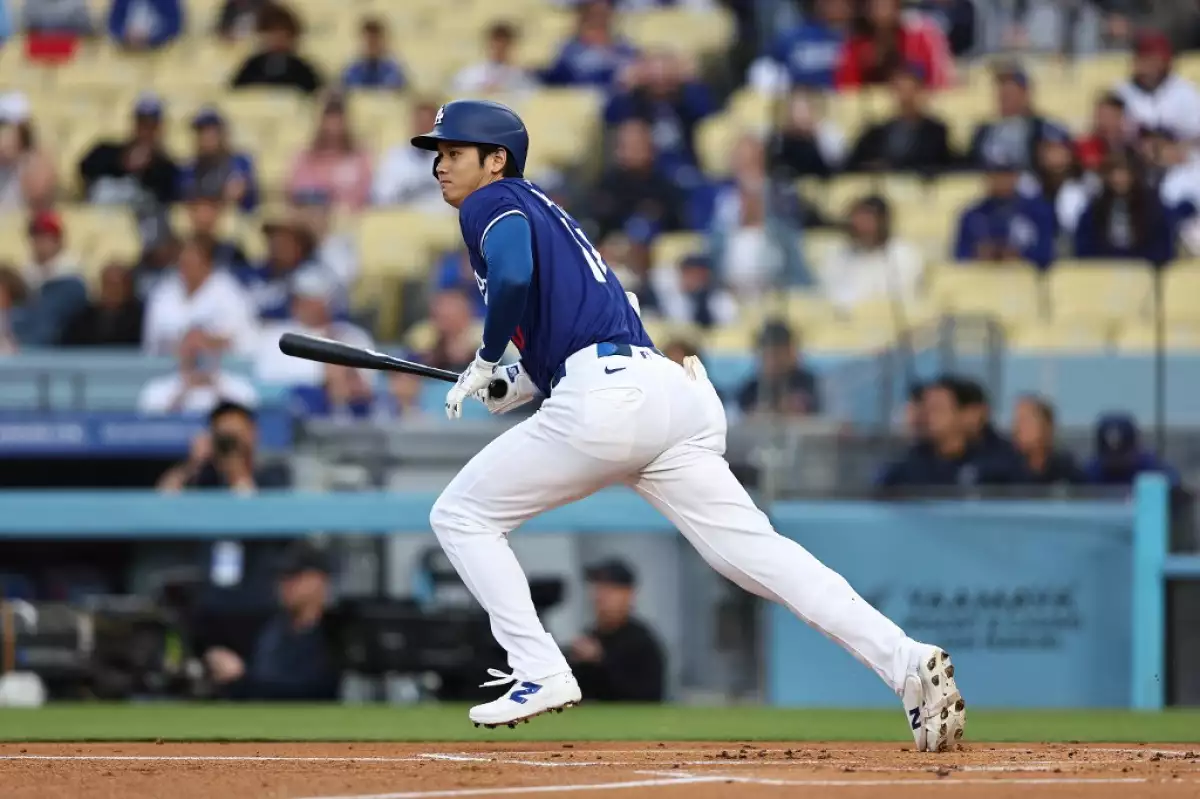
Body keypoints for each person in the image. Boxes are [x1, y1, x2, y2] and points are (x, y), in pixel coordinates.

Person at [411, 98, 966, 749]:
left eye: (452, 152)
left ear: (495, 158)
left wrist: (485, 355)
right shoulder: (551, 215)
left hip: (610, 402)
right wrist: (516, 377)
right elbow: (588, 327)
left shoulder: (491, 201)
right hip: (667, 393)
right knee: (765, 558)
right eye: (438, 154)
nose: (440, 166)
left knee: (461, 516)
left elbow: (511, 273)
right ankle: (906, 662)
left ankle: (537, 665)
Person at [203, 539, 339, 700]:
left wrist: (241, 679)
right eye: (281, 577)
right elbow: (264, 683)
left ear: (317, 580)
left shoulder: (336, 632)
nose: (283, 584)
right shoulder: (273, 630)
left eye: (292, 577)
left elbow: (314, 690)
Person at [142, 234, 259, 356]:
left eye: (193, 261)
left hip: (221, 369)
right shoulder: (163, 292)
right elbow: (151, 342)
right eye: (184, 262)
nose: (188, 268)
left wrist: (209, 341)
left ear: (207, 263)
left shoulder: (229, 291)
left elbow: (245, 341)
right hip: (170, 367)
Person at [568, 559, 665, 702]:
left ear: (629, 595)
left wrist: (600, 660)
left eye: (609, 589)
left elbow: (646, 695)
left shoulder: (641, 641)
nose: (600, 596)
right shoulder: (591, 636)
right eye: (597, 587)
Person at [816, 195, 924, 312]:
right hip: (840, 323)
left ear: (882, 222)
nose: (858, 225)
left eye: (866, 220)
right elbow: (826, 293)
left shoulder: (903, 255)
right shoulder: (838, 254)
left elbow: (900, 299)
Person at [157, 400, 291, 492]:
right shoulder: (205, 473)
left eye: (234, 436)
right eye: (223, 437)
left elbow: (255, 509)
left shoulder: (273, 470)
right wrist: (193, 463)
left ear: (253, 432)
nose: (229, 444)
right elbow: (165, 497)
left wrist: (237, 468)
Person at [844, 64, 955, 175]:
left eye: (911, 90)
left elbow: (942, 166)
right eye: (900, 90)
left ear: (921, 92)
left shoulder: (935, 132)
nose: (905, 97)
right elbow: (852, 165)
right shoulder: (876, 134)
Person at [953, 155, 1056, 269]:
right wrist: (978, 254)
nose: (1001, 180)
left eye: (1006, 175)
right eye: (996, 175)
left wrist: (1019, 255)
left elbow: (1047, 254)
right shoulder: (972, 215)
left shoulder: (1037, 211)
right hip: (981, 280)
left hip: (1023, 280)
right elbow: (959, 257)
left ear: (1016, 177)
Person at [1074, 153, 1175, 264]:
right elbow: (1084, 250)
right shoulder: (1095, 208)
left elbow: (1163, 249)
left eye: (1124, 172)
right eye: (1113, 173)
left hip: (1144, 271)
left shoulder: (1154, 207)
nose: (1118, 178)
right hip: (1103, 271)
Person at [968, 63, 1067, 172]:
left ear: (1025, 94)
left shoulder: (1046, 130)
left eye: (1009, 94)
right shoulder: (983, 131)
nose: (1003, 99)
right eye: (1000, 93)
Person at [139, 327, 258, 415]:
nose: (197, 356)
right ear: (180, 352)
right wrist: (182, 391)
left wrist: (218, 389)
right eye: (191, 351)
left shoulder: (237, 387)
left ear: (215, 353)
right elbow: (150, 420)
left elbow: (248, 412)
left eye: (203, 349)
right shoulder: (157, 388)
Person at [288, 93, 373, 211]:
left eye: (338, 117)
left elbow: (365, 196)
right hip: (311, 220)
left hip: (350, 222)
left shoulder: (360, 157)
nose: (333, 125)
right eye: (329, 117)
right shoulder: (305, 157)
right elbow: (298, 193)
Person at [1114, 31, 1200, 146]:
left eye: (1154, 59)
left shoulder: (1186, 92)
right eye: (1143, 58)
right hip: (1134, 158)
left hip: (1181, 158)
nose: (1148, 65)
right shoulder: (1121, 92)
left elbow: (1196, 135)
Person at [229, 1, 323, 95]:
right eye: (272, 34)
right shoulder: (252, 67)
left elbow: (316, 96)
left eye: (282, 35)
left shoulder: (303, 70)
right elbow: (237, 93)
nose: (277, 40)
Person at [178, 107, 259, 213]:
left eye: (210, 131)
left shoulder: (240, 162)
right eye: (201, 132)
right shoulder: (190, 168)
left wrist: (241, 192)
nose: (206, 137)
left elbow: (251, 203)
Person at [735, 319, 820, 416]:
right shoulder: (750, 390)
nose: (774, 361)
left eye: (779, 354)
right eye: (769, 355)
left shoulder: (810, 384)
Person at [1082, 412, 1180, 487]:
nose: (1116, 462)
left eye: (1122, 456)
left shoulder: (1151, 468)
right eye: (1110, 457)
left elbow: (1174, 484)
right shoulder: (1092, 471)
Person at [62, 261, 145, 347]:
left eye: (117, 285)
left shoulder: (142, 318)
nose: (112, 291)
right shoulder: (83, 318)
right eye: (108, 284)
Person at [1011, 394, 1082, 485]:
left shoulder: (1067, 470)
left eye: (1024, 421)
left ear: (1046, 425)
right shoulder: (1004, 471)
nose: (1016, 428)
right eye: (1016, 421)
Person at [453, 21, 537, 97]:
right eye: (495, 45)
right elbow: (458, 92)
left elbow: (527, 96)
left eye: (504, 45)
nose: (498, 49)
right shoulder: (471, 73)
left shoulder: (519, 76)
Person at [341, 16, 406, 90]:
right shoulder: (352, 71)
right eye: (368, 41)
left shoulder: (393, 70)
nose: (371, 46)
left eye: (375, 41)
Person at [107, 0, 183, 51]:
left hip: (157, 54)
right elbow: (113, 23)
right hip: (126, 52)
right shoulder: (122, 2)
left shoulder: (167, 2)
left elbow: (174, 26)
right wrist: (125, 34)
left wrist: (151, 38)